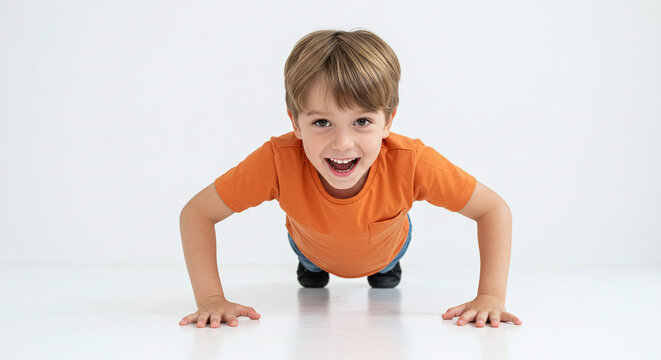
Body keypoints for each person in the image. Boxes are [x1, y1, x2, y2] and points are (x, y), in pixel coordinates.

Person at [178, 29, 522, 329]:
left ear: (388, 121)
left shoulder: (412, 162)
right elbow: (197, 213)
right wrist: (210, 298)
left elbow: (493, 209)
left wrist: (490, 295)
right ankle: (311, 268)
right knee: (311, 266)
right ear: (295, 122)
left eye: (361, 122)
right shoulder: (276, 160)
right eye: (321, 123)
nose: (342, 143)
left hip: (387, 248)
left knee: (386, 271)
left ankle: (386, 269)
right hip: (310, 245)